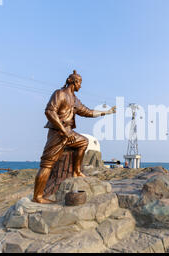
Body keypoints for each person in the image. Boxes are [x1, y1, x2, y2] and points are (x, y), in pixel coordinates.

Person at [33, 70, 116, 204]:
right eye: (80, 83)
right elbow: (49, 111)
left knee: (83, 142)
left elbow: (87, 112)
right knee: (47, 164)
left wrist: (106, 112)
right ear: (74, 82)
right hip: (58, 132)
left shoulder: (75, 100)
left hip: (69, 132)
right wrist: (64, 132)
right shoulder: (59, 94)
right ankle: (37, 197)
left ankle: (77, 171)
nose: (81, 86)